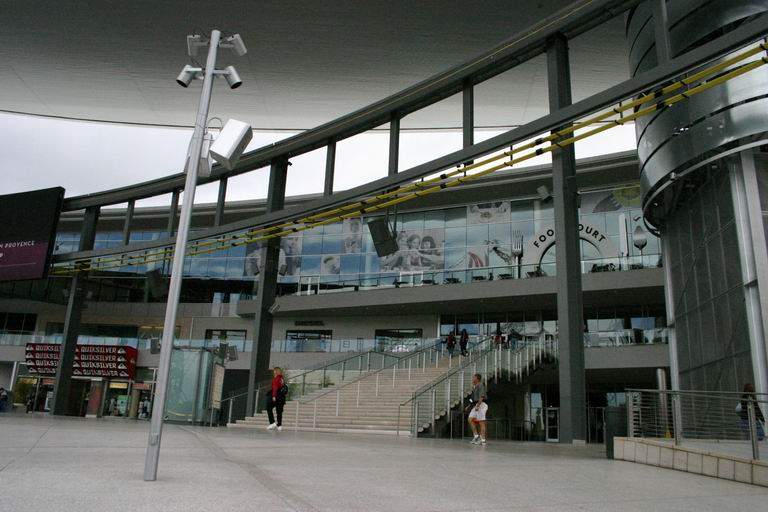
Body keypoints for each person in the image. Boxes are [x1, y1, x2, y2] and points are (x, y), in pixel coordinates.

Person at [465, 373, 488, 445]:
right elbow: (472, 398)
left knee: (481, 422)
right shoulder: (474, 387)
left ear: (477, 379)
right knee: (470, 419)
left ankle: (483, 440)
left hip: (481, 404)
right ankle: (476, 436)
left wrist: (478, 405)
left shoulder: (481, 385)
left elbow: (482, 396)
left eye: (473, 377)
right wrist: (469, 406)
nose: (472, 379)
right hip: (475, 405)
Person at [266, 367, 287, 432]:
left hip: (277, 396)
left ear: (275, 371)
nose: (273, 372)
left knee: (268, 408)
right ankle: (279, 425)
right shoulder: (282, 379)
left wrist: (274, 396)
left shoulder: (276, 379)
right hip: (282, 398)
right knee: (279, 411)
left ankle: (272, 423)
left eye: (274, 371)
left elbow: (275, 388)